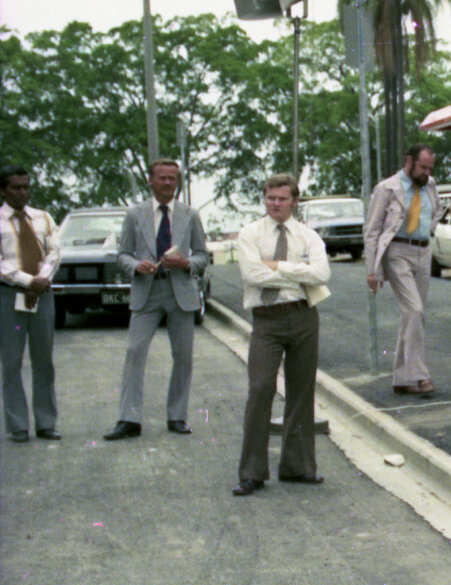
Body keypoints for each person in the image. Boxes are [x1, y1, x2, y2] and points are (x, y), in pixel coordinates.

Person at [232, 175, 331, 495]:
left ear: (295, 202)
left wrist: (277, 266)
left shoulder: (309, 236)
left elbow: (322, 274)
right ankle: (252, 472)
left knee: (301, 392)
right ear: (264, 199)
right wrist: (297, 272)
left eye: (282, 199)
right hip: (266, 322)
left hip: (303, 317)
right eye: (270, 198)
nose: (275, 203)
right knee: (260, 389)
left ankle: (297, 466)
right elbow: (252, 274)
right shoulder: (250, 234)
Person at [104, 159, 210, 440]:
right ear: (150, 181)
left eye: (172, 179)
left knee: (183, 357)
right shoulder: (134, 215)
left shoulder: (189, 215)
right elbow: (122, 254)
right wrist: (135, 266)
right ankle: (129, 419)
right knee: (134, 353)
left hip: (180, 293)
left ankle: (177, 416)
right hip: (147, 292)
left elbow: (203, 255)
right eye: (161, 178)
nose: (167, 183)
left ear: (177, 182)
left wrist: (186, 263)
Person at [365, 144, 439, 396]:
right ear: (409, 161)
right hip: (397, 252)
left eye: (430, 168)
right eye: (422, 167)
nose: (427, 172)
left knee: (411, 315)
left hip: (423, 251)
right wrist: (372, 270)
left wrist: (429, 229)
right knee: (415, 310)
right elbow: (372, 230)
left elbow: (436, 209)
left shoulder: (430, 185)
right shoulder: (387, 188)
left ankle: (401, 377)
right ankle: (420, 375)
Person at [0, 166, 61, 442]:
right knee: (12, 362)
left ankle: (46, 422)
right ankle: (18, 426)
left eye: (25, 187)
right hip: (9, 295)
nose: (22, 192)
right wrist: (27, 281)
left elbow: (55, 252)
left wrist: (42, 278)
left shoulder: (43, 217)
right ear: (3, 190)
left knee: (44, 361)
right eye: (16, 187)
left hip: (42, 293)